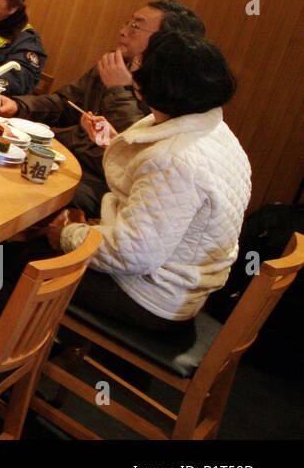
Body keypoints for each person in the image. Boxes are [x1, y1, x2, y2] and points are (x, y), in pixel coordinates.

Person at [45, 31, 251, 330]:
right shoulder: (214, 130)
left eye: (140, 62)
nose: (134, 66)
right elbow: (163, 195)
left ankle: (6, 361)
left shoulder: (176, 159)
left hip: (150, 297)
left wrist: (66, 235)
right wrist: (116, 141)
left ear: (151, 85)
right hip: (183, 286)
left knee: (23, 258)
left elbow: (129, 253)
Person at [0, 0, 205, 214]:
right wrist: (18, 105)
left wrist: (118, 89)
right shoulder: (116, 64)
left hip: (104, 181)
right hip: (68, 157)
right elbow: (65, 104)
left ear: (166, 43)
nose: (123, 31)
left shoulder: (170, 94)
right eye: (128, 23)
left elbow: (138, 147)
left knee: (27, 195)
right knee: (4, 162)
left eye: (135, 26)